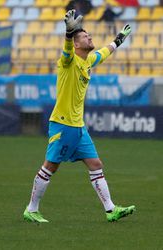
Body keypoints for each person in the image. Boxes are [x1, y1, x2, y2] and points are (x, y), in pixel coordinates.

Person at [23, 10, 135, 223]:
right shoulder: (68, 61)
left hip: (78, 126)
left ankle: (111, 209)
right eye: (85, 36)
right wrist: (69, 31)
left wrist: (119, 39)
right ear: (76, 44)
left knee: (95, 164)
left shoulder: (89, 60)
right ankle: (31, 209)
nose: (90, 37)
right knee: (50, 166)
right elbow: (66, 50)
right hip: (63, 124)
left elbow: (105, 51)